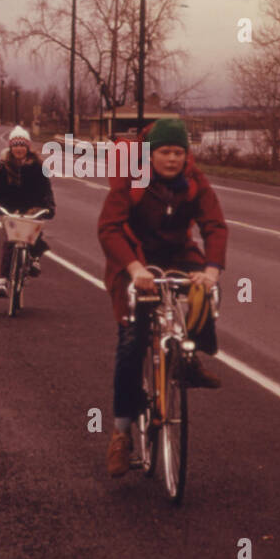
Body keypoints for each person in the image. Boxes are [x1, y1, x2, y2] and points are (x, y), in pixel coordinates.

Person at [97, 117, 228, 478]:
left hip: (176, 256)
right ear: (150, 154)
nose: (172, 159)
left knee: (205, 293)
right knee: (131, 342)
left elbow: (214, 226)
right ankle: (121, 433)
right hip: (134, 259)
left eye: (179, 152)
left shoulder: (194, 181)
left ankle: (189, 356)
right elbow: (108, 228)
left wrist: (212, 269)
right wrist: (135, 269)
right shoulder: (133, 178)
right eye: (165, 152)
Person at [0, 125, 55, 297]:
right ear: (11, 147)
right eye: (16, 145)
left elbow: (46, 190)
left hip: (33, 207)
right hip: (10, 208)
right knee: (10, 241)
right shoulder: (2, 166)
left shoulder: (38, 166)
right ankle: (2, 281)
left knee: (35, 233)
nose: (19, 149)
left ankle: (34, 258)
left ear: (28, 147)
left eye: (22, 145)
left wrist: (49, 206)